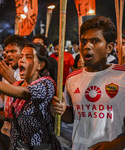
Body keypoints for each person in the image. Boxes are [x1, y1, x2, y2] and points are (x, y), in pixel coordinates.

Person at [0, 43, 62, 150]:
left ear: (40, 65)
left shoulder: (46, 84)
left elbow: (25, 93)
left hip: (40, 146)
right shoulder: (18, 84)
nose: (21, 60)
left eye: (29, 57)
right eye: (21, 56)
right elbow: (11, 116)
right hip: (18, 146)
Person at [51, 16, 125, 150]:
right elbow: (73, 117)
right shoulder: (72, 78)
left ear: (109, 47)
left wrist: (116, 144)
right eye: (83, 41)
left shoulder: (122, 76)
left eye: (95, 41)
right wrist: (58, 110)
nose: (87, 46)